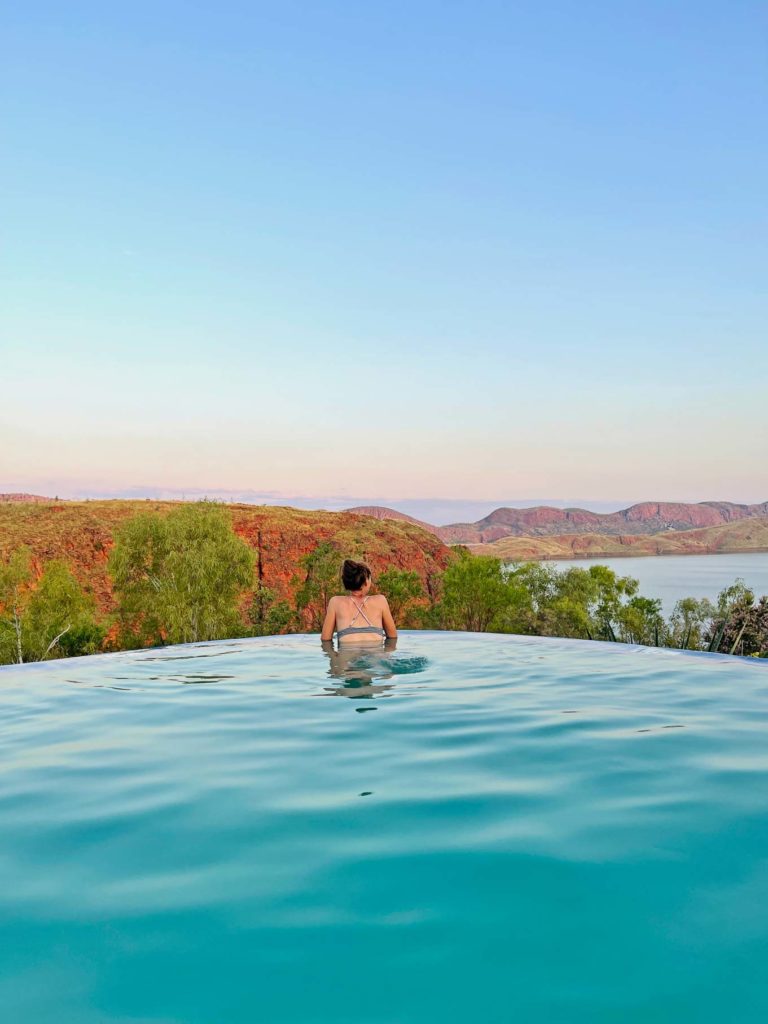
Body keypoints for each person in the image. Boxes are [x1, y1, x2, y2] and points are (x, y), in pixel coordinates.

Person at [321, 559, 397, 645]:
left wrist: (335, 658)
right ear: (366, 582)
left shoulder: (335, 602)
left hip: (347, 656)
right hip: (375, 656)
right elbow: (393, 637)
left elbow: (325, 640)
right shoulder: (381, 601)